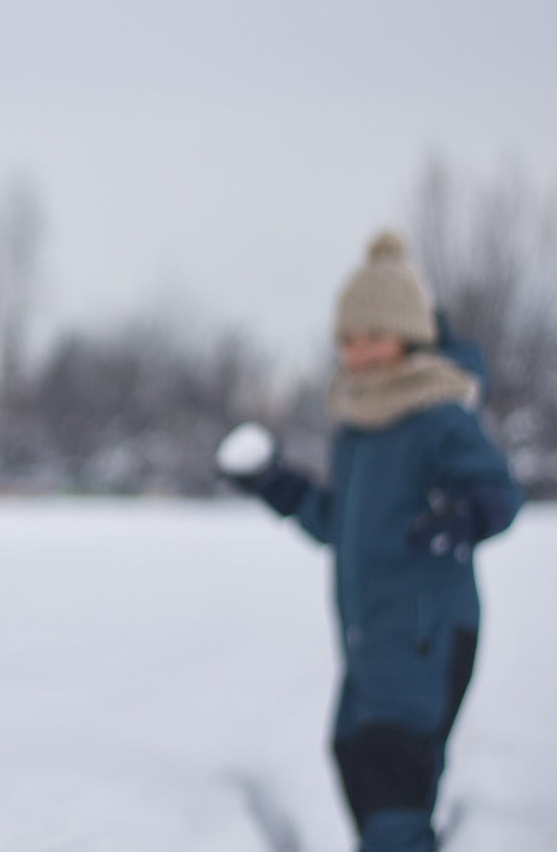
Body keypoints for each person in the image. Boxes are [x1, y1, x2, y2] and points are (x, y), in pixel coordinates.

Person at [216, 232, 522, 852]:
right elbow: (340, 524)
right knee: (355, 753)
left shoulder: (437, 414)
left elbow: (498, 494)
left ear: (409, 337)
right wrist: (277, 483)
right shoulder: (358, 426)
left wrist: (458, 520)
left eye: (374, 337)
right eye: (349, 340)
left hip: (424, 632)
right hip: (370, 638)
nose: (360, 353)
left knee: (392, 771)